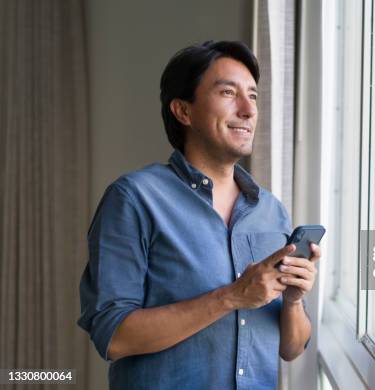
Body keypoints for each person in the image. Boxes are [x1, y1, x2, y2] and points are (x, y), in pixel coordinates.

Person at [77, 41, 319, 390]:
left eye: (252, 96)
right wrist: (233, 296)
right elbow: (114, 336)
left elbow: (291, 349)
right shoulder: (133, 199)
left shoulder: (271, 211)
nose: (248, 110)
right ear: (183, 111)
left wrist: (294, 300)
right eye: (227, 92)